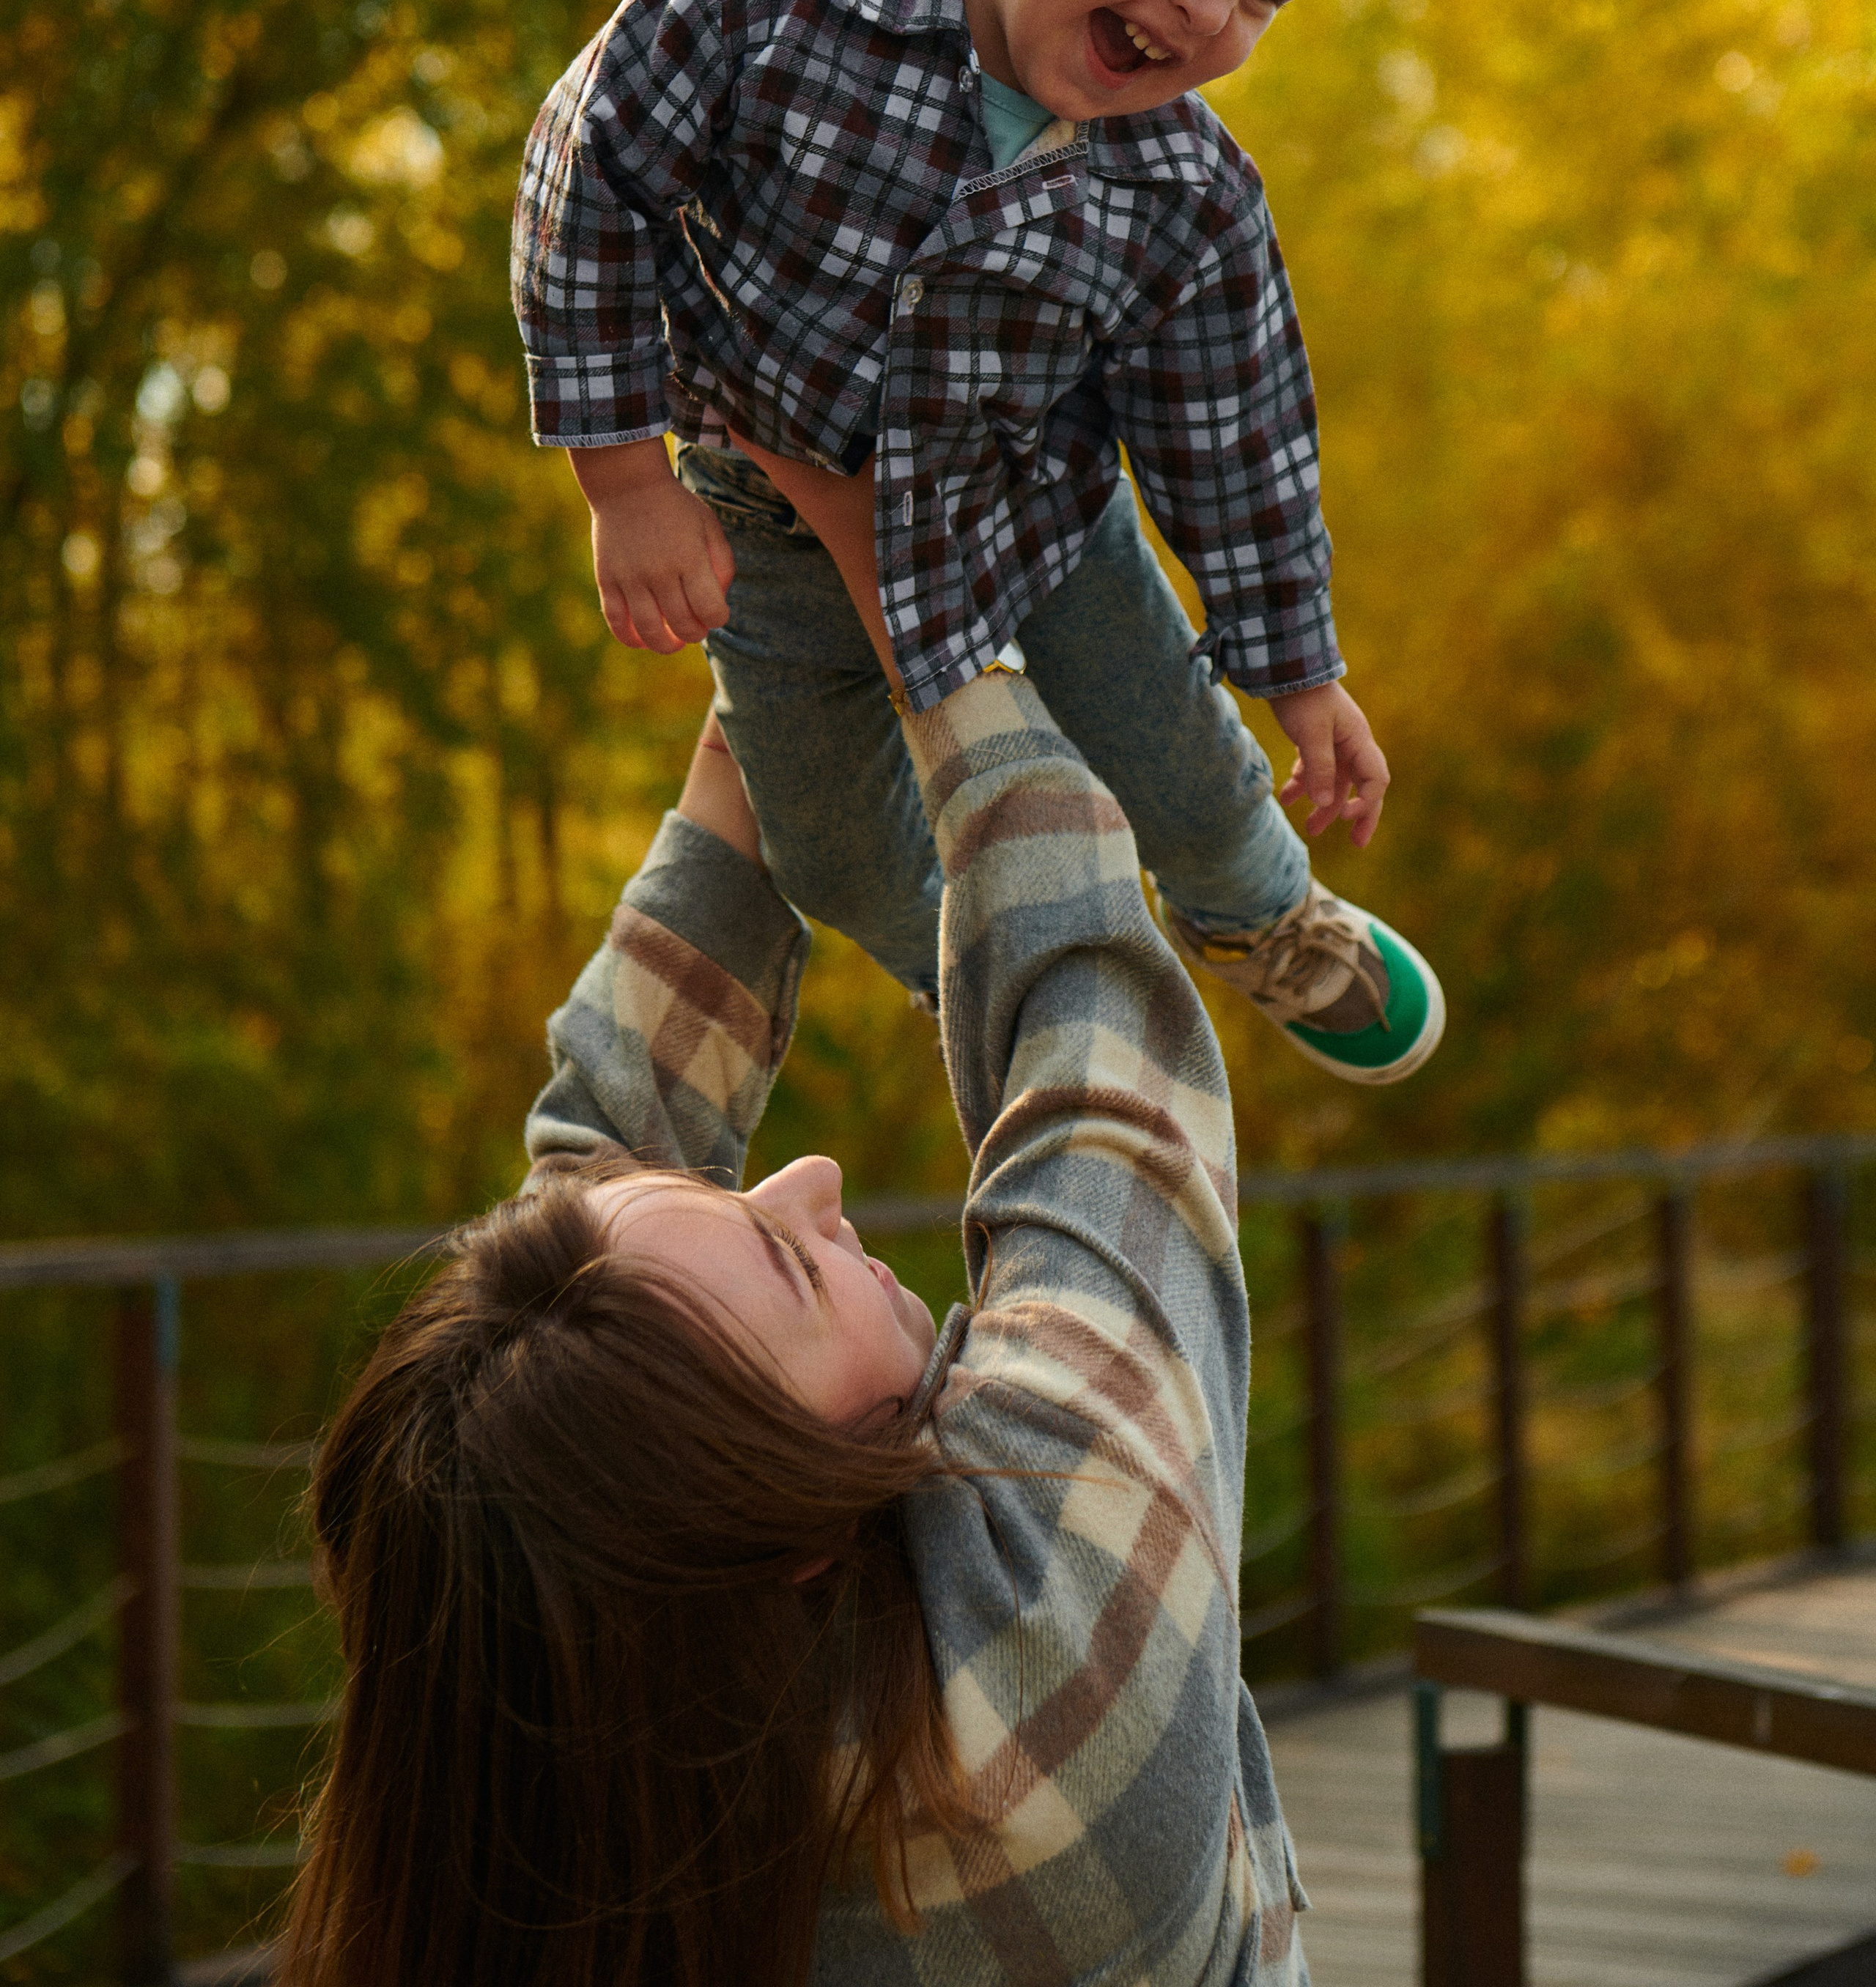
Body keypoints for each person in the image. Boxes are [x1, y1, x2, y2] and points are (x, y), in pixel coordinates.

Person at [511, 0, 1449, 1083]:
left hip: (1040, 519)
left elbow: (1233, 436)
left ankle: (1267, 916)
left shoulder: (1184, 194)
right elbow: (592, 179)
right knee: (821, 840)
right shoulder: (768, 3)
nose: (1208, 8)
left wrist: (1302, 674)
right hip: (775, 532)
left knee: (1173, 756)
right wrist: (623, 479)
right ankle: (1034, 997)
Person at [283, 670, 1309, 1987]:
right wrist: (944, 631)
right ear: (789, 1525)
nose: (813, 1176)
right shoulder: (1034, 1732)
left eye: (740, 1199)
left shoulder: (531, 1656)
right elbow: (1105, 1071)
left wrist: (765, 697)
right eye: (788, 1263)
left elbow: (595, 1259)